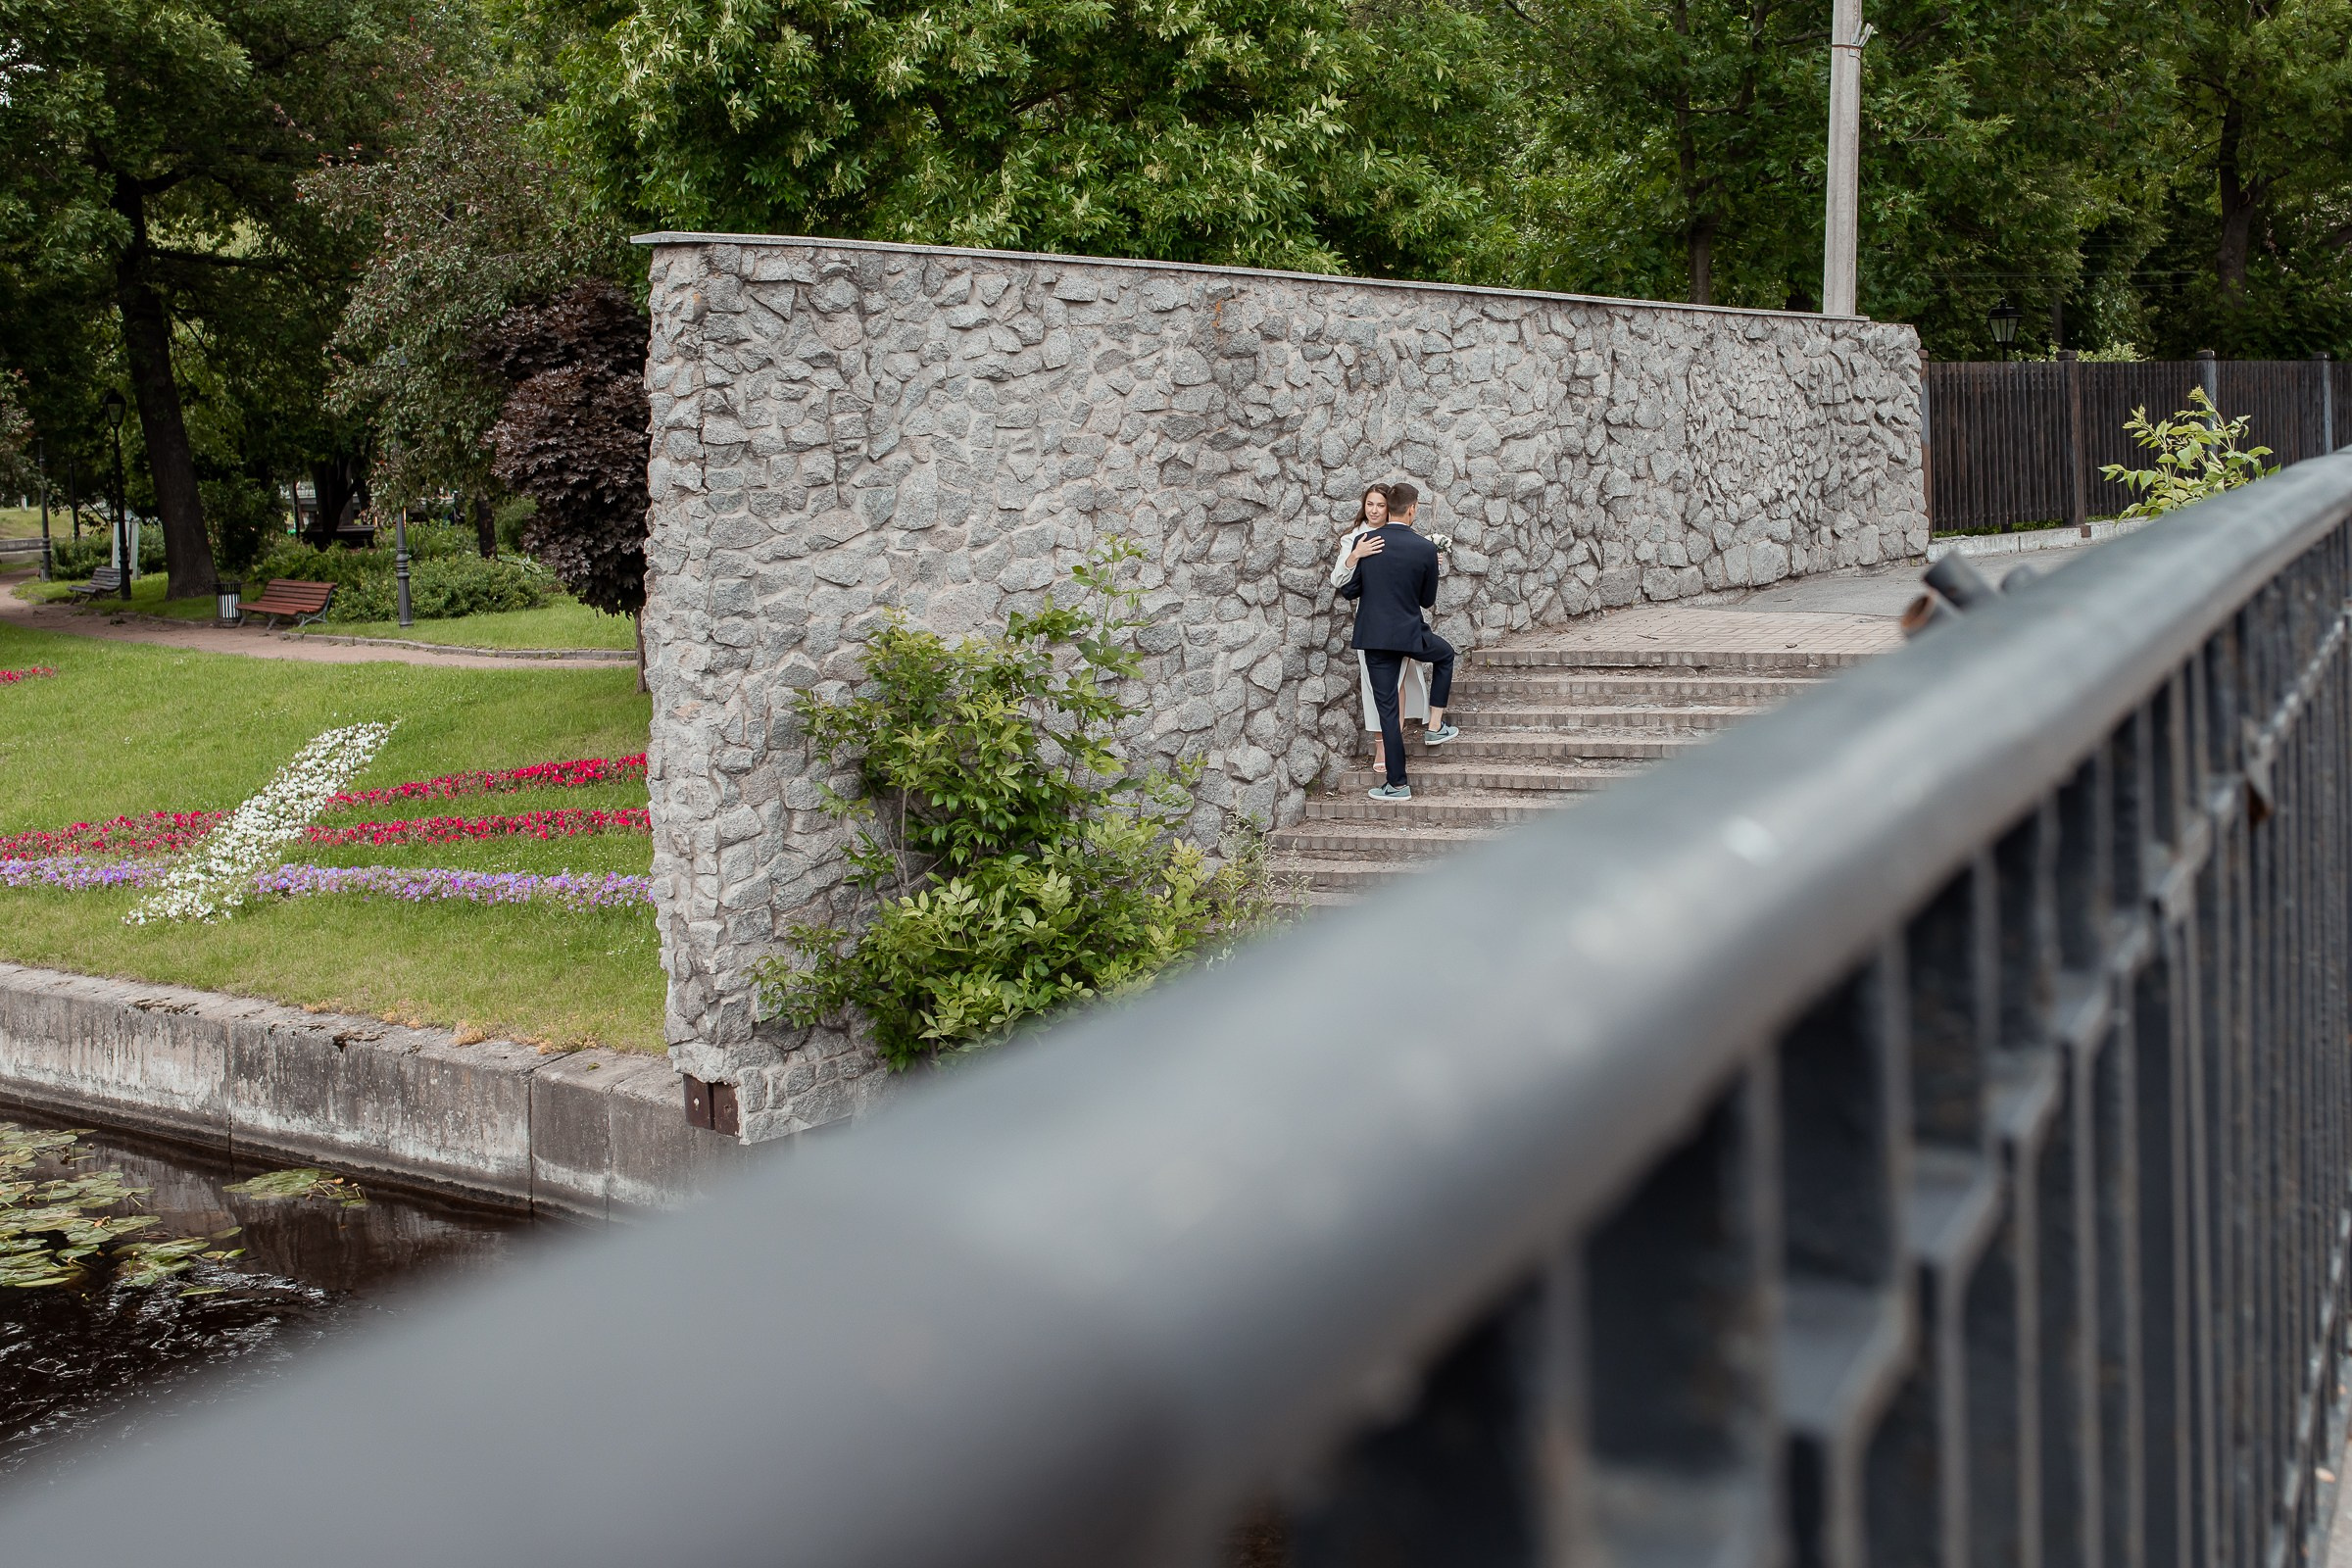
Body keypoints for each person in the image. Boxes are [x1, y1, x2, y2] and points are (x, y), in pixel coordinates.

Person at [1339, 481, 1456, 801]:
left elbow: (1349, 590)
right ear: (1413, 509)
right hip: (1409, 636)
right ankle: (1435, 726)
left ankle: (1398, 784)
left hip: (1374, 639)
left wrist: (1356, 559)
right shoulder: (1425, 549)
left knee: (1387, 710)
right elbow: (1427, 599)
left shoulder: (1366, 540)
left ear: (1388, 507)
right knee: (1445, 655)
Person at [1329, 484, 1430, 778]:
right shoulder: (1355, 538)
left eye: (1380, 505)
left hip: (1404, 621)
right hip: (1372, 623)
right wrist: (1356, 554)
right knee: (1376, 687)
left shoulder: (1398, 538)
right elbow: (1339, 580)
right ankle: (1381, 744)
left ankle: (1393, 744)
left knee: (1398, 683)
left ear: (1390, 509)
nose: (1374, 510)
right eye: (1370, 504)